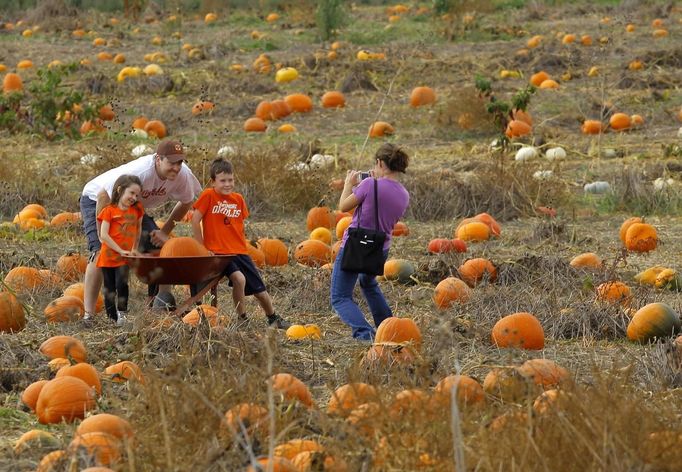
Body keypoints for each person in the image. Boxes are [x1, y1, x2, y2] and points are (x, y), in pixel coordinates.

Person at [80, 139, 202, 320]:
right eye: (171, 163)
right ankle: (88, 315)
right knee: (101, 253)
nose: (176, 168)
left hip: (132, 207)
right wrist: (102, 236)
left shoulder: (183, 175)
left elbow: (186, 201)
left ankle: (160, 303)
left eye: (179, 162)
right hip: (98, 201)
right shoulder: (140, 173)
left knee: (161, 248)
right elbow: (103, 195)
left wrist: (164, 231)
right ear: (158, 159)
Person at [190, 158, 291, 329]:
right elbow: (194, 220)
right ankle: (242, 318)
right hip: (220, 253)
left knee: (260, 290)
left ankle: (273, 317)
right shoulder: (209, 195)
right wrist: (202, 248)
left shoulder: (238, 199)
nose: (227, 184)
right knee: (239, 278)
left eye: (230, 180)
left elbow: (236, 224)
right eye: (222, 180)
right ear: (213, 181)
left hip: (240, 251)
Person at [330, 143, 410, 341]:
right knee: (367, 282)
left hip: (356, 245)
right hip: (380, 247)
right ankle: (389, 327)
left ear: (380, 163)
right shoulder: (404, 194)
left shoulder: (369, 185)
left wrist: (349, 183)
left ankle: (365, 333)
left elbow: (343, 206)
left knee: (340, 297)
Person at [96, 175, 144, 326]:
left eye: (137, 195)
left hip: (125, 256)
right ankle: (112, 318)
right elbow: (104, 235)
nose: (134, 197)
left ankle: (122, 313)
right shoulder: (109, 211)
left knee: (122, 284)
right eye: (131, 193)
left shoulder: (137, 210)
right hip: (108, 256)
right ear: (120, 190)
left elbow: (138, 229)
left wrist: (134, 249)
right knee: (109, 288)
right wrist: (119, 250)